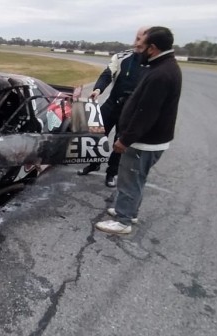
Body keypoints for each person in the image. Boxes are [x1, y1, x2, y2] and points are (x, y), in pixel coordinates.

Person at [94, 26, 183, 234]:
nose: (136, 47)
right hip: (150, 139)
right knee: (136, 178)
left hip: (144, 141)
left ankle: (123, 221)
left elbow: (146, 113)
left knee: (130, 178)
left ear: (152, 48)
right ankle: (128, 211)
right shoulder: (164, 66)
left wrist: (125, 139)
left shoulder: (160, 73)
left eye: (140, 44)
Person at [77, 26, 150, 187]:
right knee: (96, 134)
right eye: (137, 38)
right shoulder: (122, 56)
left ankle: (111, 172)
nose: (138, 42)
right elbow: (107, 74)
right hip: (112, 104)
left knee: (120, 141)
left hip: (131, 111)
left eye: (142, 39)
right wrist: (97, 89)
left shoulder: (153, 63)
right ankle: (93, 163)